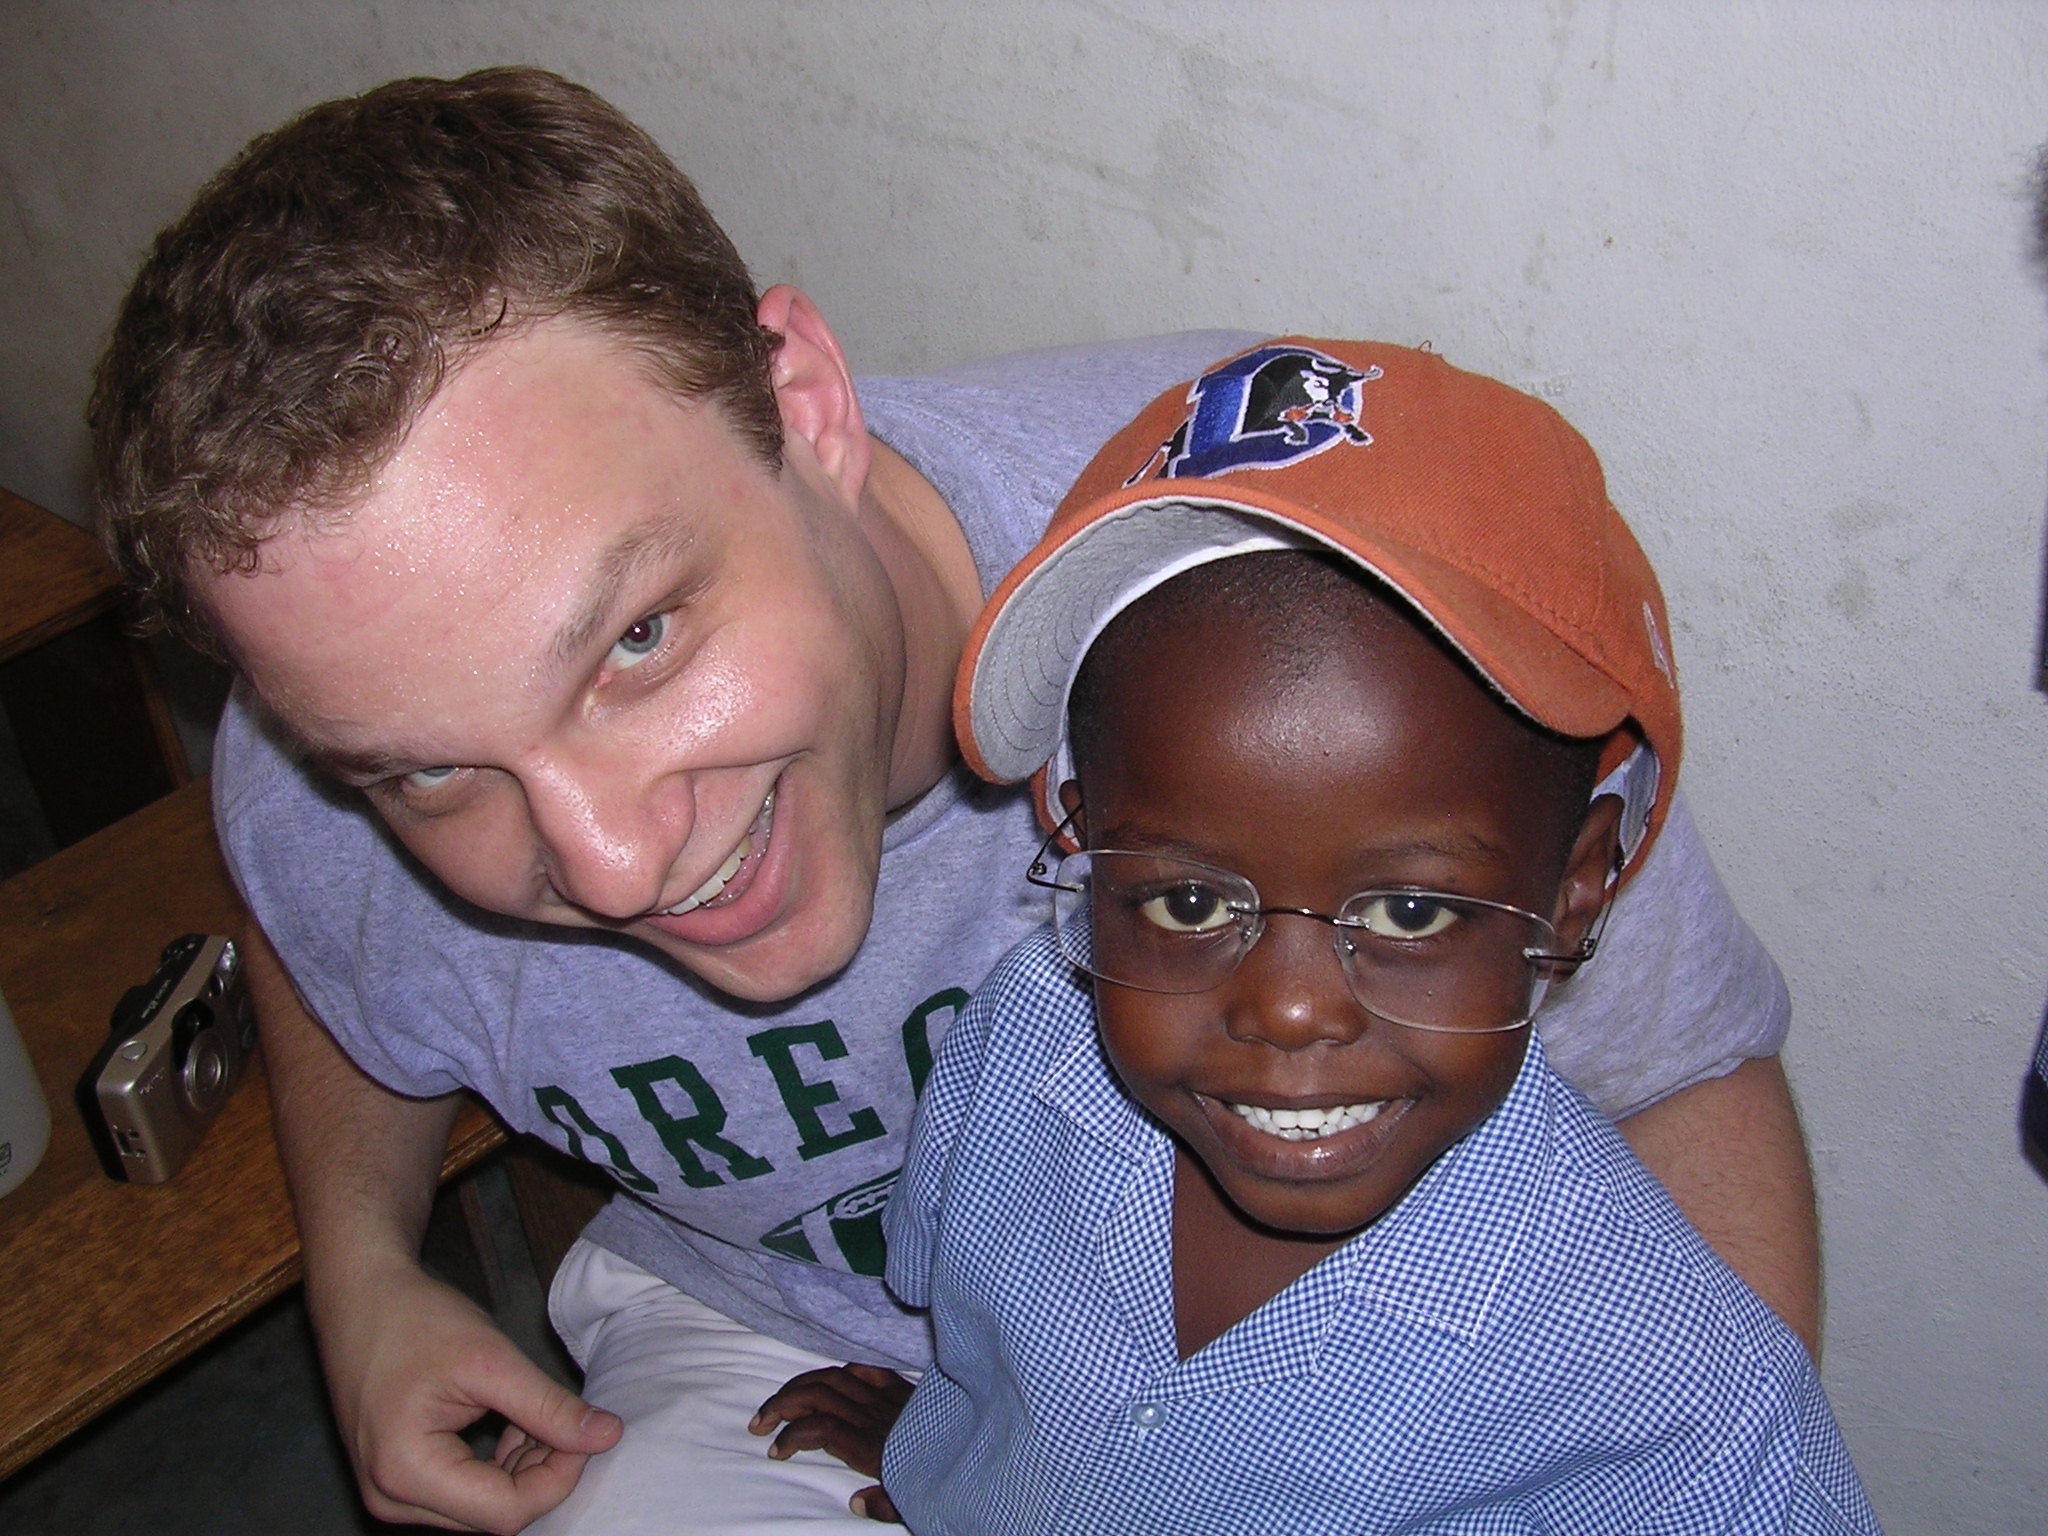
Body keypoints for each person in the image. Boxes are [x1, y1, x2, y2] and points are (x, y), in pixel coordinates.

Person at [90, 67, 1813, 1536]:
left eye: (633, 638)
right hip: (768, 1346)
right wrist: (364, 1275)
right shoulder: (332, 734)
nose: (611, 861)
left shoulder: (1279, 614)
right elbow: (339, 943)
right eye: (432, 773)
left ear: (803, 405)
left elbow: (1678, 1090)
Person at [828, 340, 1874, 1531]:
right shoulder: (1022, 1045)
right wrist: (945, 1452)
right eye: (1185, 903)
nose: (1286, 1011)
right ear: (1078, 835)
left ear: (1577, 888)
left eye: (1409, 913)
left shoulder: (1686, 1398)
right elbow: (986, 1352)